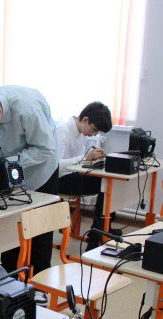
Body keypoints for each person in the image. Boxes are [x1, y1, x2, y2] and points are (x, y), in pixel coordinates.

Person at [0, 85, 58, 274]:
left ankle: (39, 281)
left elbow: (46, 149)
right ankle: (9, 278)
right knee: (11, 227)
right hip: (10, 167)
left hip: (41, 171)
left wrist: (7, 162)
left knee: (39, 234)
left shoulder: (28, 109)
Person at [57, 102, 113, 250]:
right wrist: (85, 158)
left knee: (109, 183)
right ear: (85, 119)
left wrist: (94, 160)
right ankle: (96, 236)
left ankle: (102, 230)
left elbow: (79, 163)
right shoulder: (62, 130)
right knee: (105, 185)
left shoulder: (80, 132)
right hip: (58, 180)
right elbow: (56, 167)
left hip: (72, 175)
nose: (94, 134)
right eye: (94, 129)